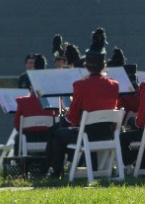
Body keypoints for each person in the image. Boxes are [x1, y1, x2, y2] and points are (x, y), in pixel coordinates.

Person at [45, 29, 119, 177]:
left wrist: (69, 116)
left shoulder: (80, 85)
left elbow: (73, 117)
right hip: (106, 134)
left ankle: (56, 171)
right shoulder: (114, 85)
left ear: (86, 65)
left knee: (59, 133)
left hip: (86, 134)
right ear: (104, 64)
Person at [14, 54, 58, 154]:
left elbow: (17, 126)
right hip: (49, 140)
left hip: (28, 139)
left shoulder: (22, 102)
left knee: (17, 138)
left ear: (31, 85)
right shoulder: (54, 103)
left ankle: (18, 165)